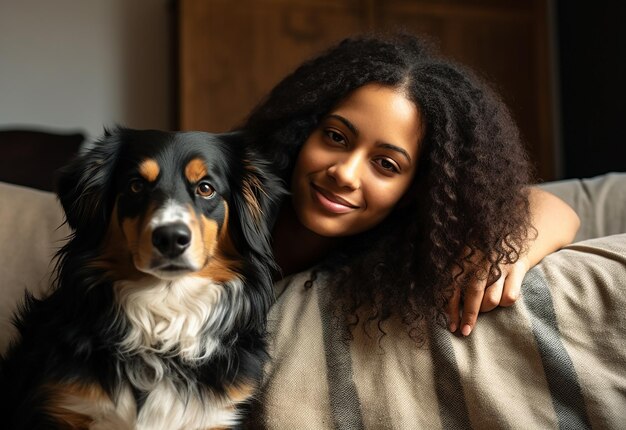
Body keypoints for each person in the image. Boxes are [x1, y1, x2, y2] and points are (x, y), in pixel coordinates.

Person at [241, 32, 580, 340]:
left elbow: (557, 210)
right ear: (301, 131)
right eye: (336, 137)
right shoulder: (223, 201)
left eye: (386, 164)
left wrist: (506, 247)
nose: (345, 173)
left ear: (415, 191)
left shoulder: (390, 249)